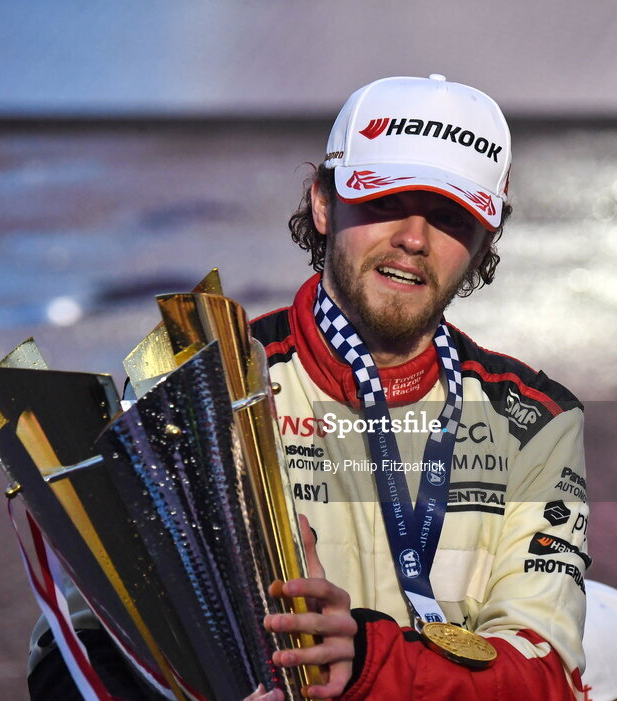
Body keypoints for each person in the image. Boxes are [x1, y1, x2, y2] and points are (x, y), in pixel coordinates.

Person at [246, 74, 590, 700]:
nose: (413, 238)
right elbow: (85, 643)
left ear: (486, 240)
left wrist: (371, 666)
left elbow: (546, 678)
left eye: (450, 216)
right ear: (324, 203)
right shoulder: (214, 385)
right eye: (384, 200)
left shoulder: (536, 421)